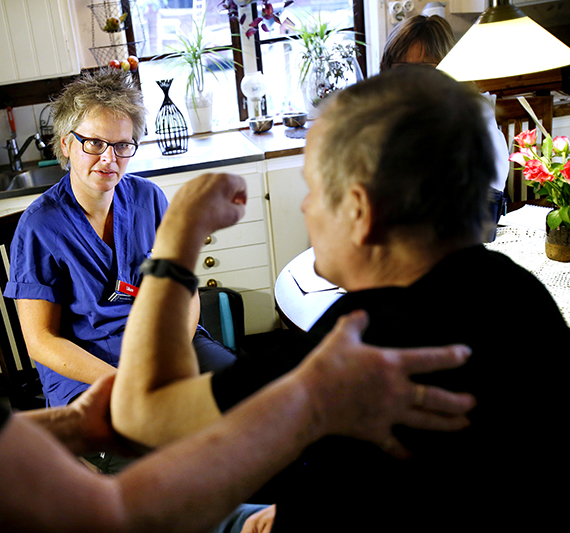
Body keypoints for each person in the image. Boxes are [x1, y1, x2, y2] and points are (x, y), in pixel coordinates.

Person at [0, 2, 477, 531]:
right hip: (100, 371)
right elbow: (103, 511)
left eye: (122, 147)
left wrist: (80, 424)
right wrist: (305, 403)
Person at [111, 67, 570, 529]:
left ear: (359, 210)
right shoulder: (520, 292)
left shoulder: (359, 338)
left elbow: (139, 412)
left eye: (313, 189)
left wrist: (176, 240)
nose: (305, 206)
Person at [4, 69, 236, 415]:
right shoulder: (40, 226)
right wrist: (126, 381)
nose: (109, 159)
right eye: (94, 143)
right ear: (66, 144)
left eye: (122, 145)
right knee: (160, 432)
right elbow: (40, 340)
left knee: (244, 393)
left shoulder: (148, 199)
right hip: (89, 368)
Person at [381, 14, 509, 236]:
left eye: (426, 69)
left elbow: (487, 196)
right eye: (403, 69)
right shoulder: (385, 112)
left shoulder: (473, 112)